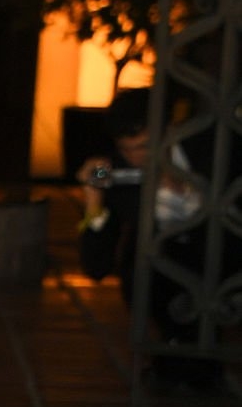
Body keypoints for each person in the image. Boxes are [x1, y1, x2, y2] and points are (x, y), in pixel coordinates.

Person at [75, 86, 215, 384]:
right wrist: (93, 201)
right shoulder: (114, 169)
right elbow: (96, 266)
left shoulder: (207, 148)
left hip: (217, 259)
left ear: (170, 130)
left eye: (146, 146)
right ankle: (174, 355)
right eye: (127, 149)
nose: (137, 157)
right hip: (160, 272)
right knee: (143, 266)